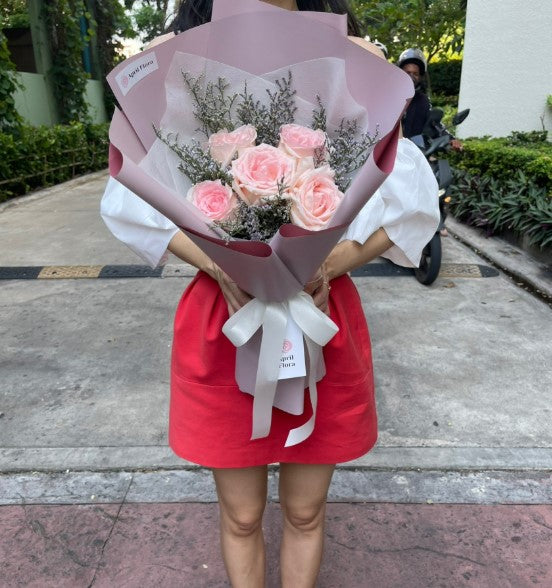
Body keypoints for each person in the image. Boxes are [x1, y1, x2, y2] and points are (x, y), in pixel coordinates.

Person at [101, 1, 439, 586]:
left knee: (307, 511)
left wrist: (332, 260)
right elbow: (134, 198)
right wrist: (222, 264)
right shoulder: (181, 60)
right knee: (241, 514)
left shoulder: (355, 64)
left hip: (319, 317)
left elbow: (412, 204)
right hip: (226, 319)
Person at [397, 47, 431, 142]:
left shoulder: (423, 100)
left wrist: (450, 139)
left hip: (415, 151)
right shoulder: (390, 96)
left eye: (415, 74)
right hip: (391, 150)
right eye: (408, 72)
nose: (411, 76)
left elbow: (433, 122)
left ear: (420, 77)